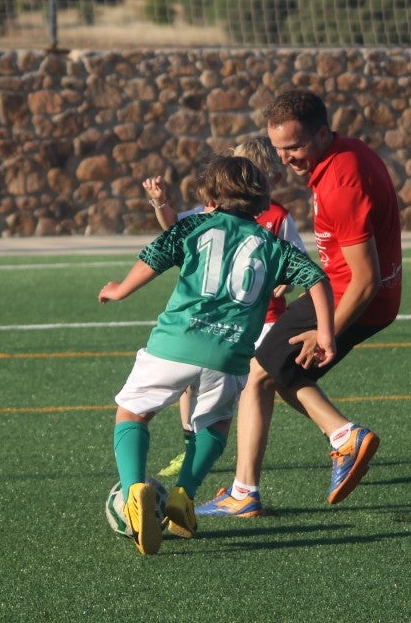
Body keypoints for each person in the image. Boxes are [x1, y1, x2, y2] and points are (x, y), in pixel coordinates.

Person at [99, 155, 335, 555]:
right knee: (216, 423)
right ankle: (183, 496)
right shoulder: (273, 245)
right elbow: (316, 278)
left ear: (209, 194)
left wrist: (120, 289)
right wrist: (325, 333)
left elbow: (156, 255)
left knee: (133, 413)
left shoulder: (194, 225)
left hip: (173, 344)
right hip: (228, 356)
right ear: (261, 200)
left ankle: (134, 488)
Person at [196, 88, 403, 517]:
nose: (286, 158)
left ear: (323, 133)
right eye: (279, 149)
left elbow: (364, 281)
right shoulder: (343, 155)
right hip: (349, 292)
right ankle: (247, 490)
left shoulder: (341, 180)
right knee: (266, 371)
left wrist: (327, 333)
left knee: (264, 368)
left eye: (295, 146)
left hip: (355, 298)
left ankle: (340, 436)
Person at [142, 137, 306, 478]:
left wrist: (286, 282)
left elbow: (299, 262)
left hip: (264, 321)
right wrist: (161, 204)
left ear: (270, 181)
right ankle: (191, 446)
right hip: (214, 320)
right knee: (195, 382)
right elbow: (175, 227)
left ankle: (334, 429)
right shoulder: (211, 212)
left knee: (273, 381)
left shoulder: (278, 218)